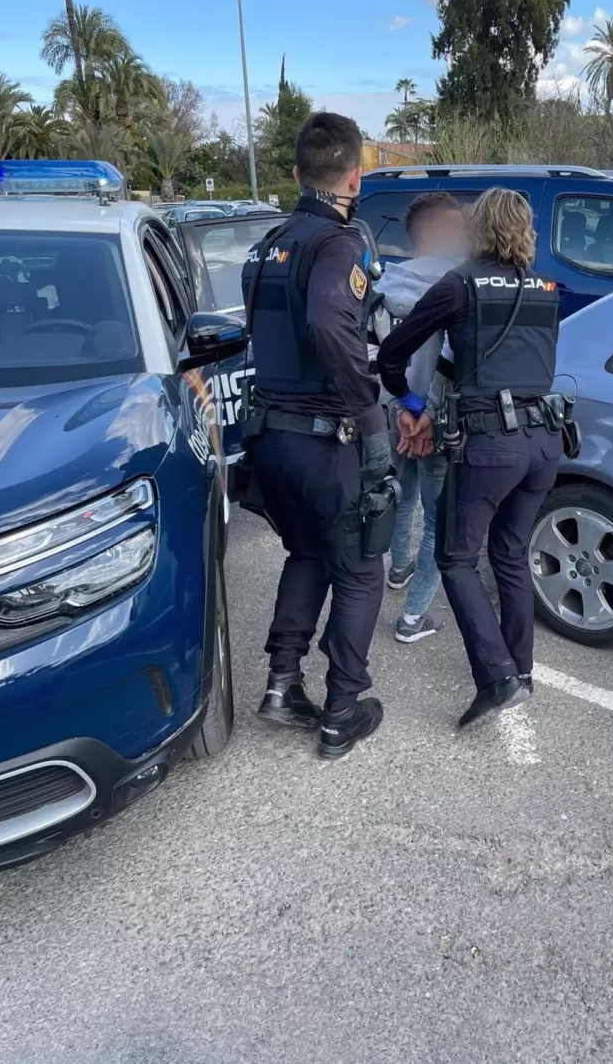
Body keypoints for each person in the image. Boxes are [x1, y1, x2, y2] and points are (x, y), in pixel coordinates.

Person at [377, 188, 562, 728]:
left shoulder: (459, 283)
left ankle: (497, 677)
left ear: (476, 229)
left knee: (457, 558)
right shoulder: (548, 287)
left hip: (490, 445)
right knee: (509, 553)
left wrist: (413, 403)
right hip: (544, 440)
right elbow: (510, 367)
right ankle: (520, 670)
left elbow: (395, 353)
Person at [241, 112, 389, 758]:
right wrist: (371, 414)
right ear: (354, 177)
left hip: (270, 438)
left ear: (298, 174)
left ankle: (282, 684)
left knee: (307, 553)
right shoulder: (339, 244)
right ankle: (341, 710)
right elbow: (331, 324)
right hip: (325, 440)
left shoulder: (267, 245)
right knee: (361, 569)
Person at [373, 192, 466, 643]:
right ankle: (413, 618)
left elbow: (373, 357)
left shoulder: (382, 288)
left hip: (394, 412)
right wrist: (425, 412)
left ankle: (398, 570)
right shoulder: (458, 286)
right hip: (438, 418)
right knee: (438, 520)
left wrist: (403, 409)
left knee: (402, 492)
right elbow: (455, 358)